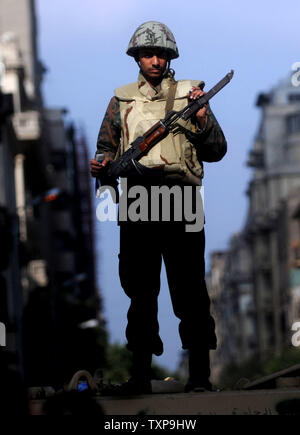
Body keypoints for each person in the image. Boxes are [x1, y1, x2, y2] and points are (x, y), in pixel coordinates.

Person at [90, 21, 227, 394]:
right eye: (148, 54)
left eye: (161, 54)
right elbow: (105, 146)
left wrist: (201, 121)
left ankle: (200, 375)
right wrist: (100, 164)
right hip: (137, 199)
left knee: (191, 290)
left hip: (181, 198)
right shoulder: (121, 100)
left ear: (170, 57)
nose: (155, 60)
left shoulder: (190, 95)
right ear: (136, 57)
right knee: (140, 290)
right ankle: (139, 373)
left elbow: (216, 150)